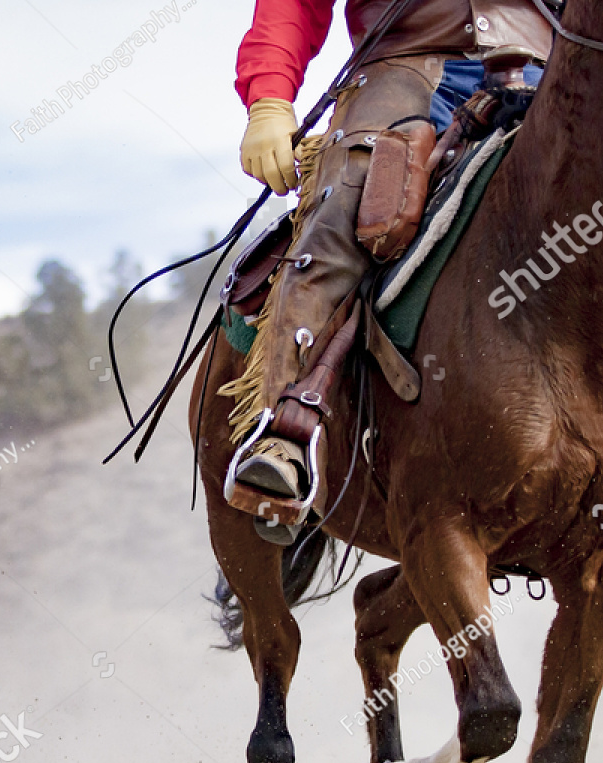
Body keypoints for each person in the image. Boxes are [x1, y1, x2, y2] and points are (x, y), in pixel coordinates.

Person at [226, 0, 555, 506]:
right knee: (358, 195)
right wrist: (270, 96)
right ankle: (284, 432)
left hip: (548, 70)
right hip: (406, 66)